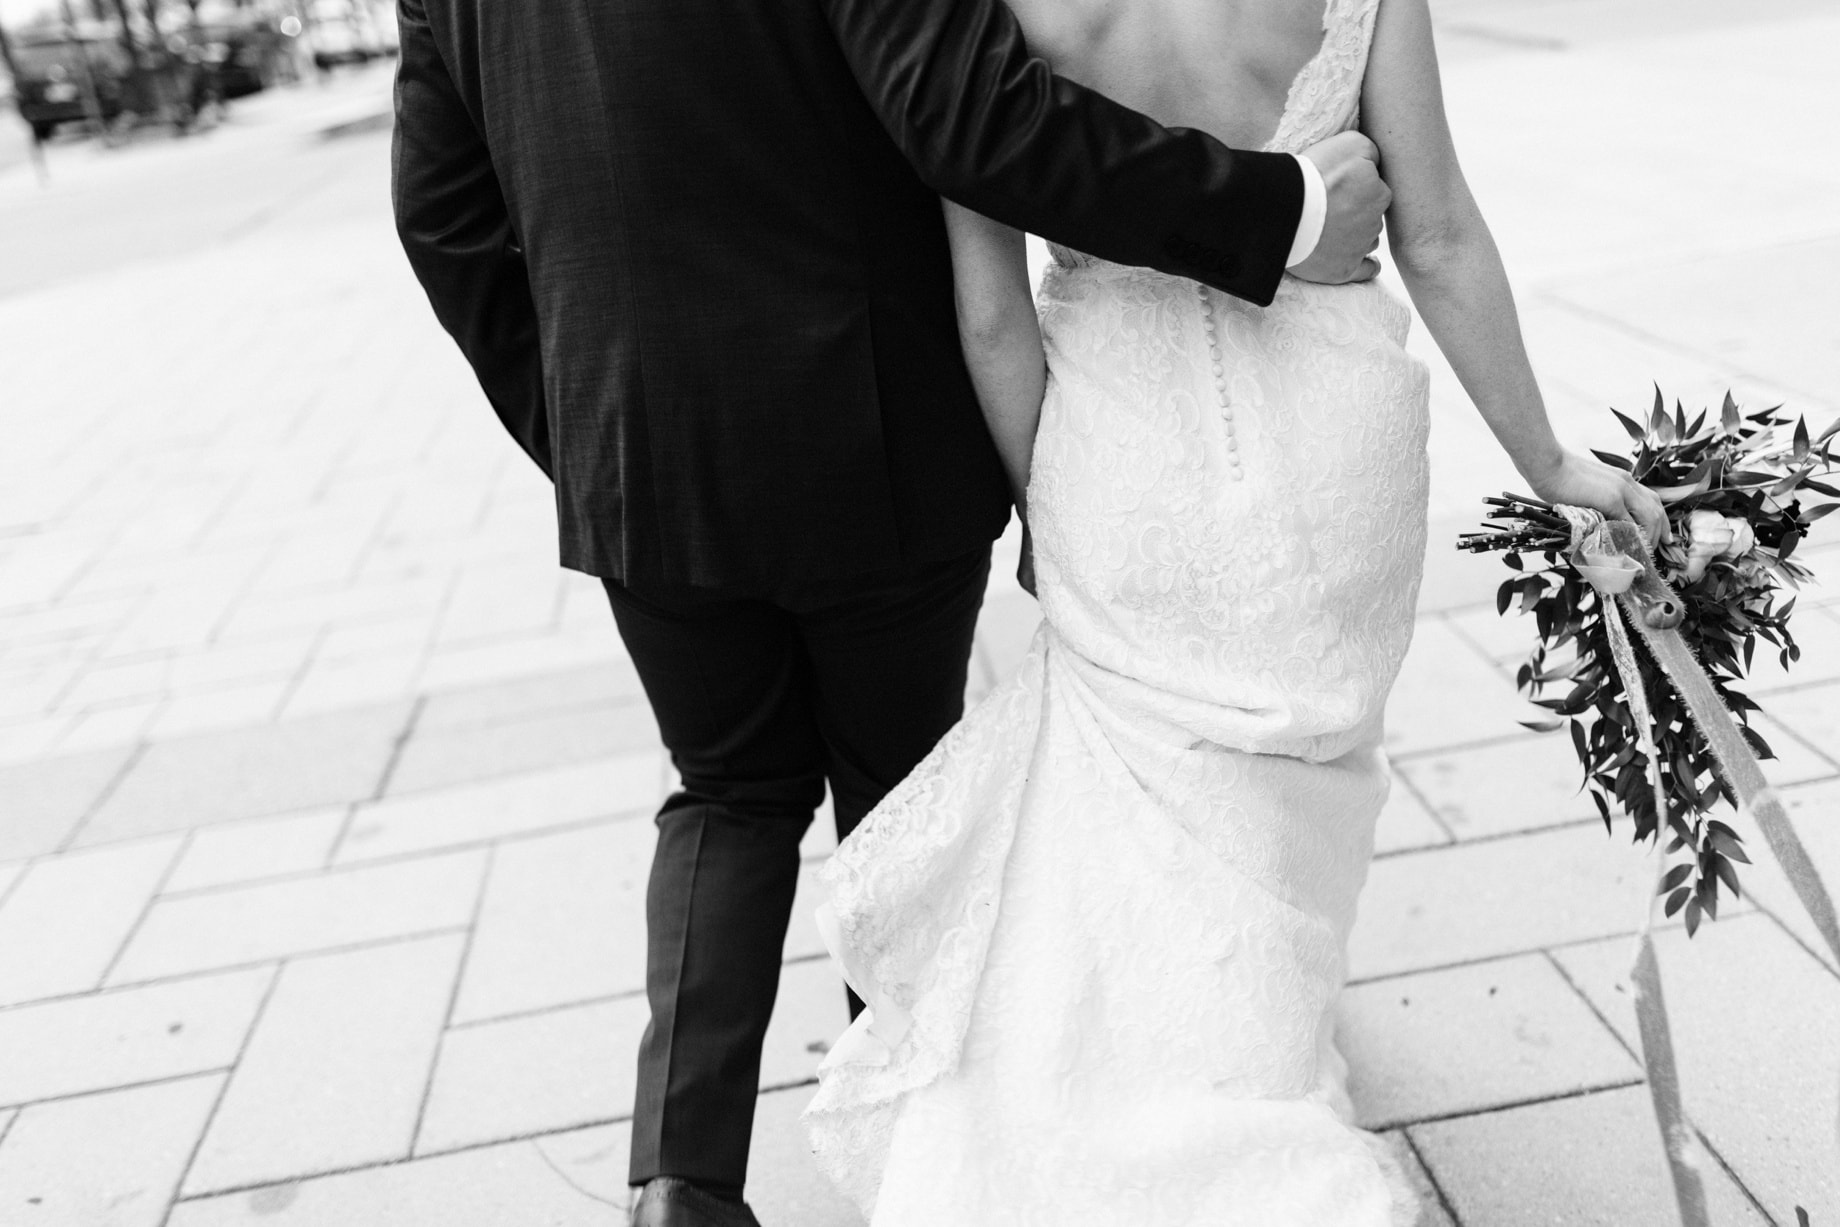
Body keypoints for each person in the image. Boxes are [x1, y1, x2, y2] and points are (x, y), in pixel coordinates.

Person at [388, 0, 1395, 1223]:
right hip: (869, 432)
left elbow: (442, 219)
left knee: (726, 789)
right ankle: (926, 1147)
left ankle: (680, 1183)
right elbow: (975, 122)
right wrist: (1274, 210)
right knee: (900, 785)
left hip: (641, 453)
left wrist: (584, 426)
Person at [803, 0, 1671, 1221]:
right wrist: (1552, 465)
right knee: (1300, 793)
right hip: (1335, 441)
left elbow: (992, 312)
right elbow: (1439, 234)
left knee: (1150, 804)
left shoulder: (997, 14)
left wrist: (1044, 509)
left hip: (1122, 449)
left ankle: (1210, 1092)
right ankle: (1266, 1065)